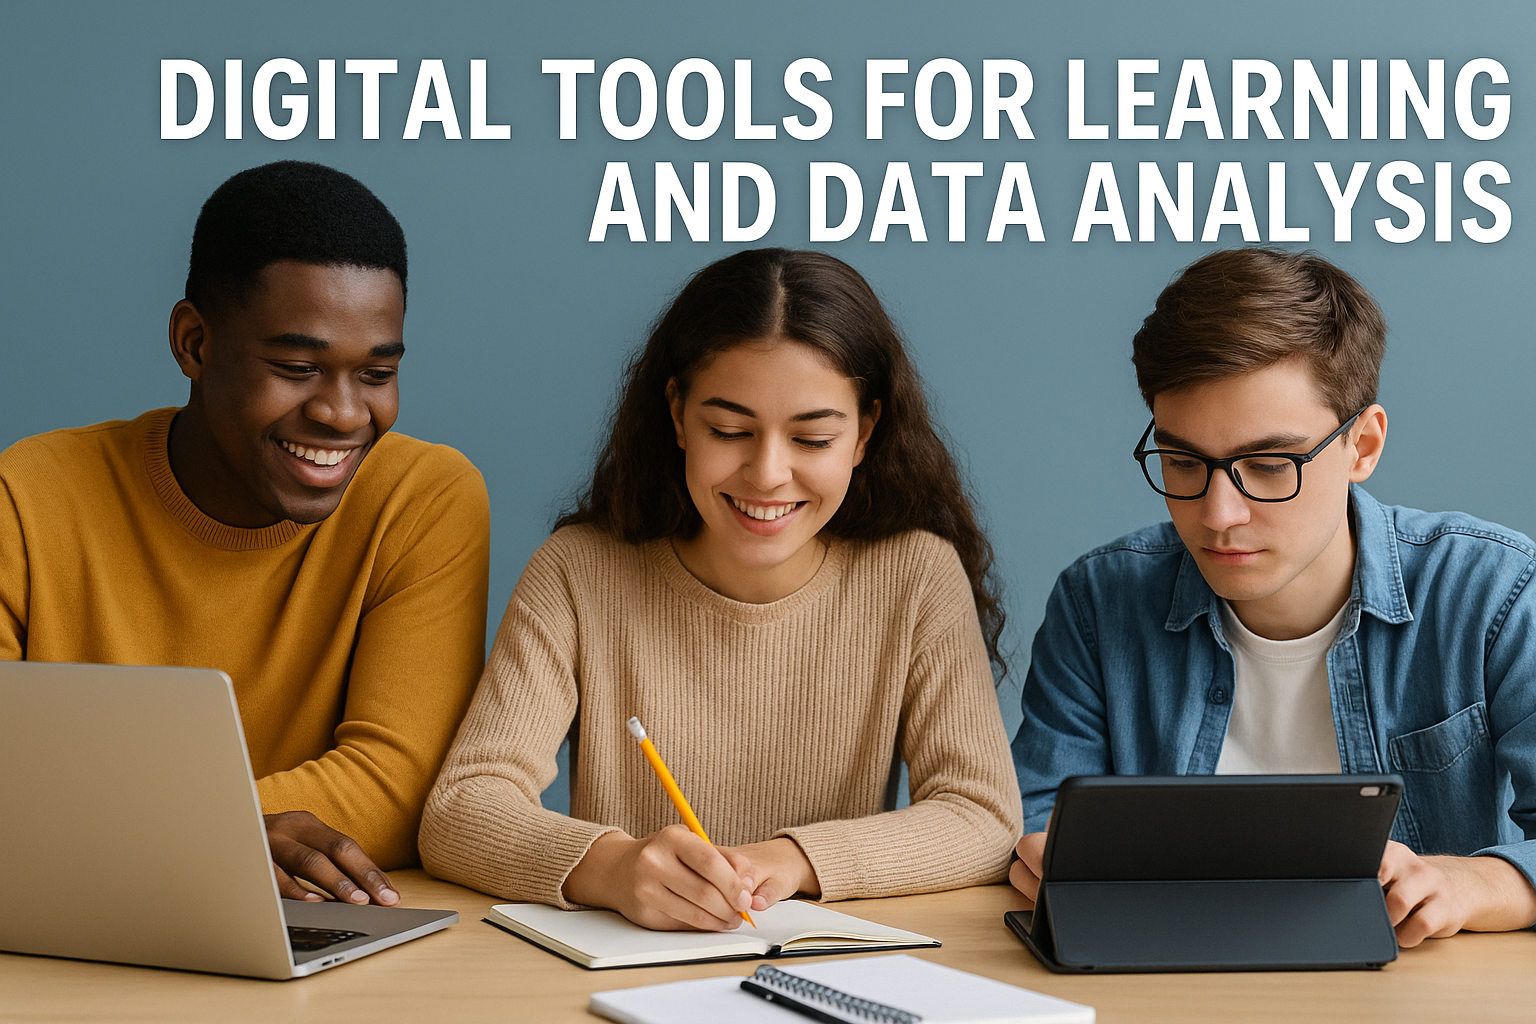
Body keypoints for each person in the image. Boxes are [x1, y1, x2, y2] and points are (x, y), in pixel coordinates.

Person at [419, 248, 1021, 931]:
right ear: (676, 414)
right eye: (729, 430)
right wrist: (613, 869)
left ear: (865, 433)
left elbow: (982, 815)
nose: (767, 474)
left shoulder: (915, 576)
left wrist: (792, 859)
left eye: (814, 439)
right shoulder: (578, 571)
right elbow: (463, 807)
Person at [1008, 247, 1536, 947]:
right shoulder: (1098, 601)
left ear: (1363, 445)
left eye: (1268, 464)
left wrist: (1470, 884)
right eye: (1183, 462)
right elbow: (1037, 824)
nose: (1219, 513)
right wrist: (1043, 855)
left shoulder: (1494, 590)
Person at [0, 161, 490, 906]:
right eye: (297, 367)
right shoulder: (29, 497)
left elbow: (399, 782)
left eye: (376, 373)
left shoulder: (423, 500)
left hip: (319, 929)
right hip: (73, 927)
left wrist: (134, 833)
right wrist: (215, 840)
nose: (344, 414)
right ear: (194, 344)